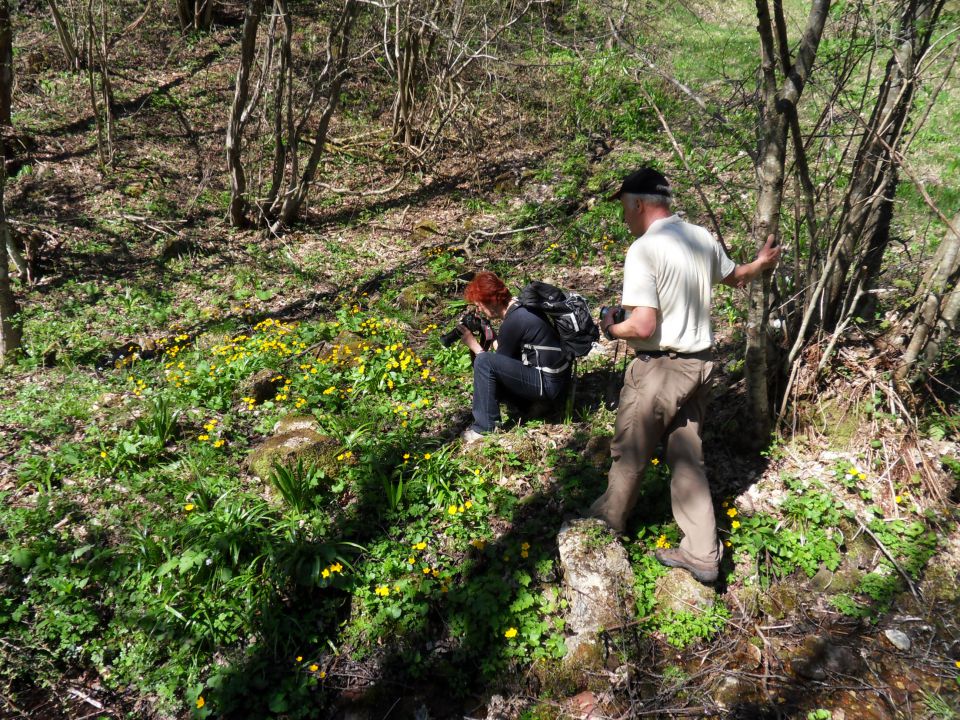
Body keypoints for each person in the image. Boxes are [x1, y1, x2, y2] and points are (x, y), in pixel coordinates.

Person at [590, 167, 781, 583]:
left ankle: (604, 528)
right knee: (686, 458)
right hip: (700, 365)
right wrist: (762, 263)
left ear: (639, 203)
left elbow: (641, 326)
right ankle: (702, 553)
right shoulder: (700, 238)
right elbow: (736, 277)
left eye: (624, 207)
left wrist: (610, 327)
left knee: (630, 452)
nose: (624, 216)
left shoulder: (643, 250)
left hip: (660, 368)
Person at [458, 272, 571, 442]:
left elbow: (492, 367)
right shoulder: (523, 308)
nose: (479, 310)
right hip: (557, 381)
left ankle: (484, 428)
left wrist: (473, 345)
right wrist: (489, 333)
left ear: (492, 300)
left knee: (483, 360)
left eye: (479, 305)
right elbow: (505, 358)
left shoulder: (515, 321)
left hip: (547, 385)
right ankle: (532, 406)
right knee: (488, 363)